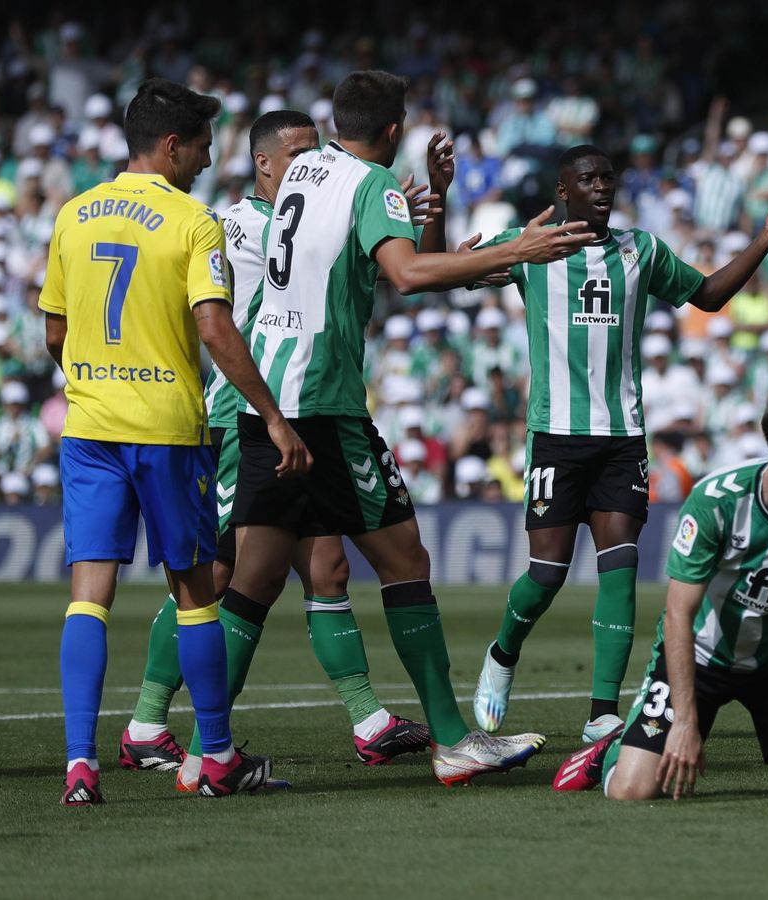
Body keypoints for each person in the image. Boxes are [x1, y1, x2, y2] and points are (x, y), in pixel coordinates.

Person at [229, 70, 594, 786]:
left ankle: (206, 748)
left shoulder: (304, 169)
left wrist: (436, 210)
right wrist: (513, 250)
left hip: (263, 402)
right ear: (395, 131)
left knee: (251, 581)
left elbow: (384, 256)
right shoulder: (375, 186)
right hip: (325, 405)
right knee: (405, 563)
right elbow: (407, 274)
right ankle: (455, 739)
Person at [120, 109, 434, 791]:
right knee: (223, 573)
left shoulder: (302, 212)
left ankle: (367, 719)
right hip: (247, 419)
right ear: (264, 164)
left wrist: (380, 218)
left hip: (297, 415)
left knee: (326, 567)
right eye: (298, 155)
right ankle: (151, 724)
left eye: (318, 153)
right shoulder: (237, 226)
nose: (313, 165)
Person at [469, 144, 768, 743]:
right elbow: (441, 270)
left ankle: (603, 708)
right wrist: (444, 204)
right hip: (556, 435)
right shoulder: (527, 247)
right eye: (588, 179)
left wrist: (767, 238)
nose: (601, 187)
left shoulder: (641, 251)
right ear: (562, 191)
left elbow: (708, 295)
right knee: (546, 575)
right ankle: (502, 656)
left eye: (608, 177)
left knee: (621, 568)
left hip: (622, 437)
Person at [39, 78, 311, 804]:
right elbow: (216, 330)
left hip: (89, 430)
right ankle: (216, 755)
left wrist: (97, 383)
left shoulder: (73, 214)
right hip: (166, 430)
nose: (205, 158)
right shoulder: (193, 222)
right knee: (195, 593)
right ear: (170, 145)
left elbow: (55, 333)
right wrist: (274, 418)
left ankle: (78, 767)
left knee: (88, 597)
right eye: (199, 145)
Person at [550, 383, 768, 802]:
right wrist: (685, 722)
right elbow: (680, 614)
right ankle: (609, 751)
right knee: (631, 791)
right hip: (700, 659)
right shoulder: (717, 501)